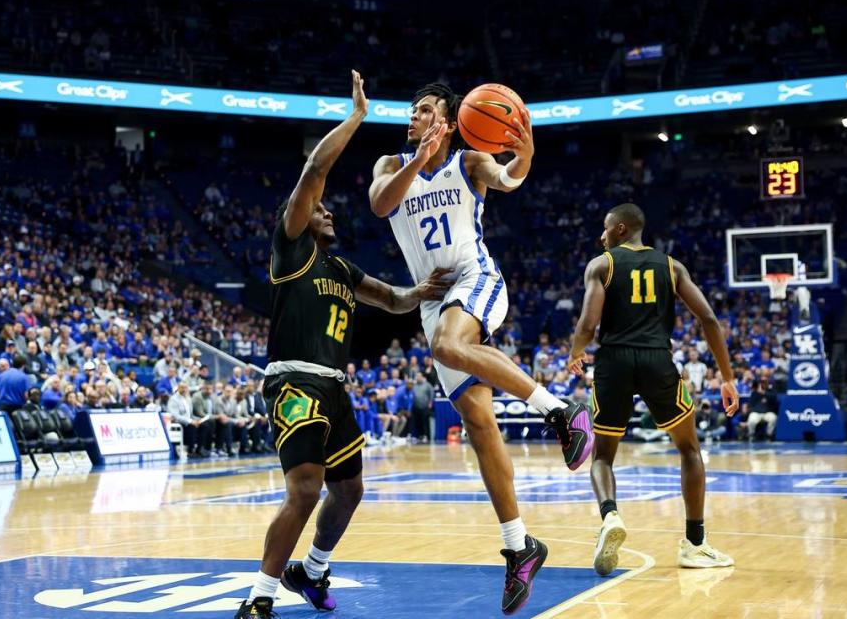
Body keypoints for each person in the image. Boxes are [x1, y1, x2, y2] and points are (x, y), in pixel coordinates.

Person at [368, 82, 592, 613]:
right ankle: (520, 547)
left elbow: (507, 178)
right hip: (432, 300)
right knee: (478, 424)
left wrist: (524, 157)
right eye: (413, 110)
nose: (414, 117)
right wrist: (415, 160)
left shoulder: (469, 161)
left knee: (449, 344)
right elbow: (381, 204)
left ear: (447, 122)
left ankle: (559, 411)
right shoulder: (389, 162)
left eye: (424, 111)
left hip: (476, 278)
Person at [235, 72, 450, 619]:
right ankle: (259, 599)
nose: (329, 212)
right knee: (305, 490)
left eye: (329, 210)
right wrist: (356, 117)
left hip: (333, 387)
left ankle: (310, 570)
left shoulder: (342, 268)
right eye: (322, 210)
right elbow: (315, 172)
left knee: (350, 489)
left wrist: (423, 291)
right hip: (294, 380)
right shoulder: (292, 250)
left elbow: (395, 301)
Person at [567, 203, 739, 576]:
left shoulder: (602, 265)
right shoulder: (672, 267)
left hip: (612, 362)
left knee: (602, 456)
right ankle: (695, 543)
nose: (601, 236)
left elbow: (587, 323)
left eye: (606, 229)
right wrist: (727, 377)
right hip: (657, 361)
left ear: (621, 229)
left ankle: (610, 515)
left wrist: (576, 352)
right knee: (689, 449)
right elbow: (708, 317)